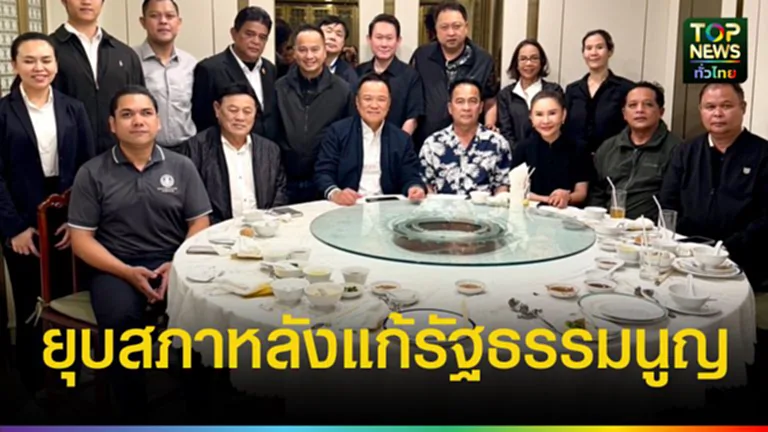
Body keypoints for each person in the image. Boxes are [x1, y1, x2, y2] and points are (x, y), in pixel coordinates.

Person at [68, 86, 212, 420]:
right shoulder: (92, 172)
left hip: (174, 261)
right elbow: (81, 240)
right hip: (114, 266)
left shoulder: (181, 165)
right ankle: (133, 414)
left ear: (158, 122)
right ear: (112, 124)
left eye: (146, 113)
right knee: (121, 322)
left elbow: (200, 223)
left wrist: (175, 264)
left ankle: (201, 408)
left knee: (205, 312)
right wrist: (126, 272)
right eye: (127, 114)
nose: (138, 121)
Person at [0, 32, 94, 394]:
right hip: (20, 217)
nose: (39, 68)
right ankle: (33, 381)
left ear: (55, 64)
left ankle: (72, 371)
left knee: (69, 292)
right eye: (29, 61)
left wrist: (78, 221)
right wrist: (14, 228)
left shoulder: (74, 108)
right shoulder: (4, 112)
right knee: (29, 296)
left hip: (67, 216)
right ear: (15, 65)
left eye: (46, 60)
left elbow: (87, 169)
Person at [660, 83, 768, 290]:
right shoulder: (685, 151)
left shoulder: (763, 154)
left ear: (743, 108)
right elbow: (668, 203)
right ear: (701, 110)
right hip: (686, 255)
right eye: (710, 107)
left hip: (741, 261)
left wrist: (726, 248)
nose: (717, 114)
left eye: (726, 106)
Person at [181, 83, 287, 223]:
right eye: (233, 110)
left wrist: (267, 223)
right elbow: (191, 201)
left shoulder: (269, 150)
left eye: (247, 111)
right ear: (217, 109)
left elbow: (279, 195)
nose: (240, 117)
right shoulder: (196, 148)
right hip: (217, 230)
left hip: (262, 227)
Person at [315, 73, 426, 206]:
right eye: (367, 99)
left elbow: (411, 176)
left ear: (389, 104)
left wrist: (414, 188)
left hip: (388, 207)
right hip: (348, 206)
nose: (374, 105)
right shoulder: (337, 132)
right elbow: (323, 173)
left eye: (381, 99)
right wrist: (336, 193)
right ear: (357, 102)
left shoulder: (401, 139)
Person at [51, 0, 145, 154]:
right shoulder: (47, 52)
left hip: (119, 154)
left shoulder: (124, 54)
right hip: (66, 153)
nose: (86, 1)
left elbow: (140, 106)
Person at [275, 24, 355, 204]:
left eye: (315, 49)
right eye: (303, 50)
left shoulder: (343, 90)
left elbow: (347, 138)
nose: (309, 56)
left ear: (325, 51)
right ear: (294, 53)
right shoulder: (279, 88)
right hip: (285, 181)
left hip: (325, 181)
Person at [409, 1, 498, 150]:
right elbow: (412, 99)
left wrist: (489, 126)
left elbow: (490, 99)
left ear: (466, 27)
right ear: (436, 29)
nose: (451, 33)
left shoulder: (483, 60)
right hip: (426, 144)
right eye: (444, 27)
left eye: (456, 26)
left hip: (470, 145)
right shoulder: (421, 56)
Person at [589, 82, 680, 219]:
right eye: (632, 105)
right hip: (608, 224)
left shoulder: (677, 150)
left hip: (650, 227)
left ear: (661, 112)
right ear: (624, 114)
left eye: (648, 104)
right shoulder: (608, 147)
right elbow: (596, 193)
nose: (640, 110)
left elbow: (674, 201)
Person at [192, 6, 278, 141]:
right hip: (224, 148)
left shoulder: (270, 69)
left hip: (265, 148)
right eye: (249, 34)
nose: (256, 41)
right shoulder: (210, 69)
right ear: (234, 33)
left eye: (262, 37)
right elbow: (201, 120)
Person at [420, 78, 511, 195]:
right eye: (460, 101)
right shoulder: (432, 144)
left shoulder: (498, 144)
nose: (466, 108)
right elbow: (426, 187)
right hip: (441, 207)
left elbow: (502, 188)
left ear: (481, 107)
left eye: (472, 101)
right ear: (450, 108)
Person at [511, 90, 591, 209]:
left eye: (552, 113)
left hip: (567, 212)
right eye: (539, 114)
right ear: (531, 117)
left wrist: (567, 197)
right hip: (530, 211)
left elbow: (581, 192)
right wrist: (547, 199)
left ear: (563, 115)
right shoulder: (522, 148)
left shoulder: (579, 148)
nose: (546, 121)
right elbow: (517, 190)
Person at [134, 0, 197, 150]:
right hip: (145, 149)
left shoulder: (190, 63)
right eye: (154, 16)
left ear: (178, 22)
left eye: (169, 16)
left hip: (188, 148)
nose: (163, 21)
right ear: (143, 22)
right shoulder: (131, 60)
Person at [563, 29, 634, 154]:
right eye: (588, 48)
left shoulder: (626, 88)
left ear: (610, 51)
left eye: (599, 47)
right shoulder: (572, 90)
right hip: (576, 158)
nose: (593, 53)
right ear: (583, 53)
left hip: (613, 157)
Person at [356, 14, 424, 135]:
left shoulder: (411, 76)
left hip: (398, 143)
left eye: (389, 38)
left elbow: (412, 118)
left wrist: (399, 142)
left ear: (398, 41)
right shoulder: (358, 72)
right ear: (369, 39)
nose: (384, 44)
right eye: (379, 37)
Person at [497, 38, 563, 150]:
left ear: (542, 62)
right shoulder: (506, 95)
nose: (528, 63)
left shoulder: (553, 90)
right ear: (516, 63)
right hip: (516, 155)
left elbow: (559, 127)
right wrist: (521, 154)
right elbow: (506, 132)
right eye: (523, 59)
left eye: (534, 58)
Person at [318, 15, 359, 88]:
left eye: (339, 34)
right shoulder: (303, 65)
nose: (332, 37)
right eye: (328, 31)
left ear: (343, 43)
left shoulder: (350, 75)